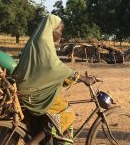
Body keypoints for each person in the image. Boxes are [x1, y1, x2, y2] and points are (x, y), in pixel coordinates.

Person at [13, 14, 92, 142]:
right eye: (60, 30)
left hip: (28, 87)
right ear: (52, 29)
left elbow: (44, 69)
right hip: (33, 93)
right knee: (67, 112)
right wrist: (81, 78)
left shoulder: (38, 40)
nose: (61, 34)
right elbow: (54, 66)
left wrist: (65, 77)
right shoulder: (43, 42)